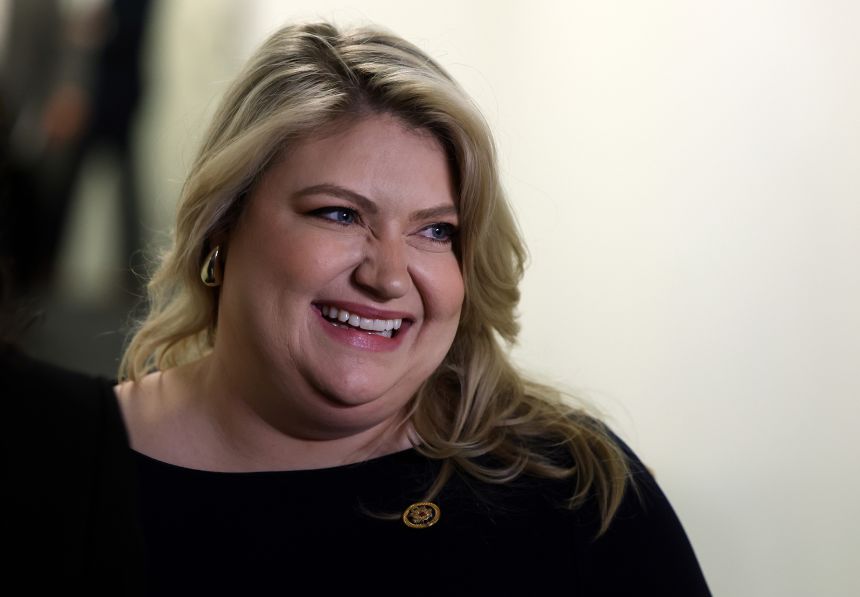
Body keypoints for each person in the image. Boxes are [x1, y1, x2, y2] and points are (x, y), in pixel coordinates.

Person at [4, 21, 711, 595]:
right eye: (339, 214)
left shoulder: (573, 488)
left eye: (437, 231)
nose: (389, 275)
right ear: (223, 224)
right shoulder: (52, 472)